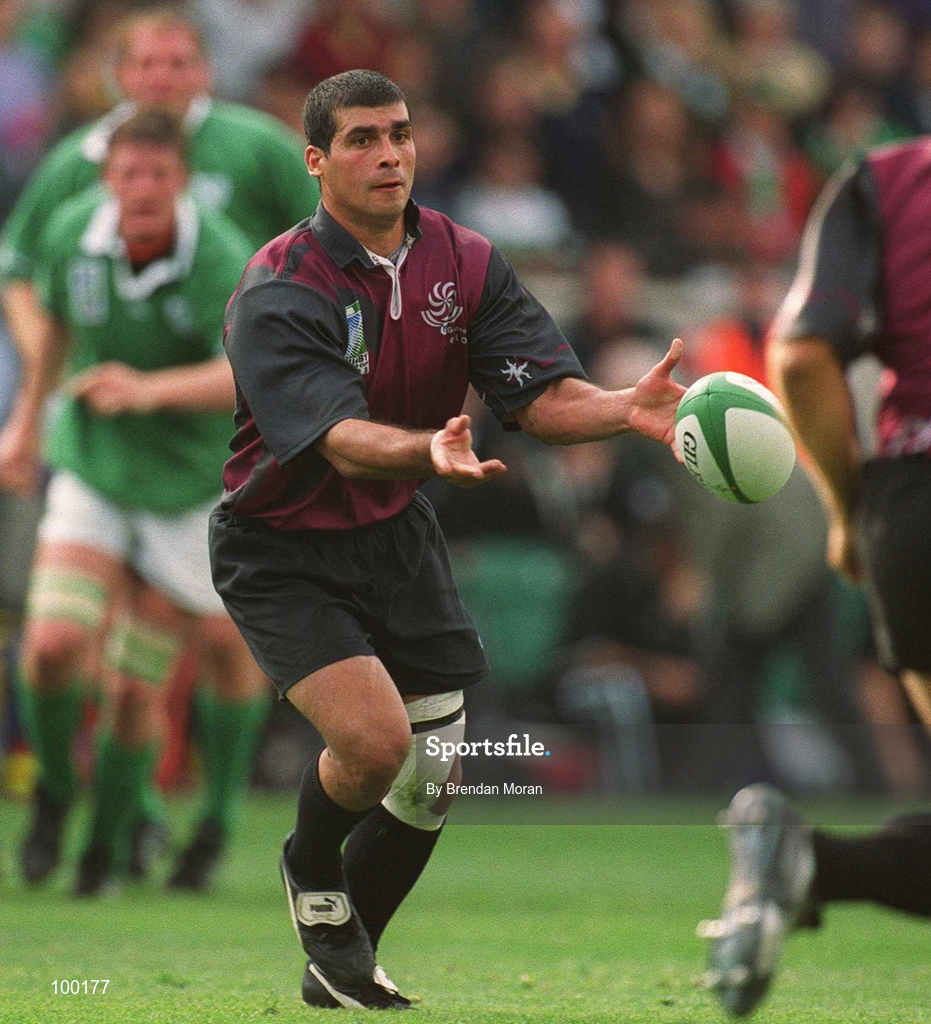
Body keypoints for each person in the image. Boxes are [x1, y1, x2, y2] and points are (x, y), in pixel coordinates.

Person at [210, 69, 686, 1009]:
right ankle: (310, 864)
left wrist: (624, 409)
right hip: (281, 543)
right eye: (360, 139)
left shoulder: (465, 260)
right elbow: (337, 438)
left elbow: (539, 397)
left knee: (433, 778)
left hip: (395, 533)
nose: (388, 154)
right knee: (376, 746)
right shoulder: (279, 284)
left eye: (399, 133)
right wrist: (426, 447)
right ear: (316, 162)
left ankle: (344, 959)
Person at [0, 4, 316, 889]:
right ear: (118, 76)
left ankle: (206, 819)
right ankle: (89, 803)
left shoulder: (252, 166)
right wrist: (30, 413)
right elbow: (30, 284)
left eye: (179, 62)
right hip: (101, 457)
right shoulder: (76, 182)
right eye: (146, 63)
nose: (162, 78)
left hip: (217, 460)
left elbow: (320, 263)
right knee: (59, 648)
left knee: (221, 648)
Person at [700, 137, 931, 1016]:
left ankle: (806, 863)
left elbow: (799, 356)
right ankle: (810, 863)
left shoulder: (881, 181)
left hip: (911, 505)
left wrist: (848, 511)